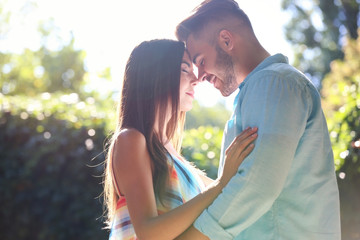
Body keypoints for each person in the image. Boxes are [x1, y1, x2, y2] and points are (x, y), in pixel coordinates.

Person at [175, 0, 341, 239]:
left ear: (226, 40)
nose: (199, 76)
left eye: (201, 61)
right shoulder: (260, 90)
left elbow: (256, 185)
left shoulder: (272, 83)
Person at [102, 39, 258, 240]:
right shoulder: (131, 139)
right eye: (185, 70)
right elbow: (149, 233)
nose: (196, 78)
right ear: (156, 76)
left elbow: (228, 191)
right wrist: (219, 184)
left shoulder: (169, 151)